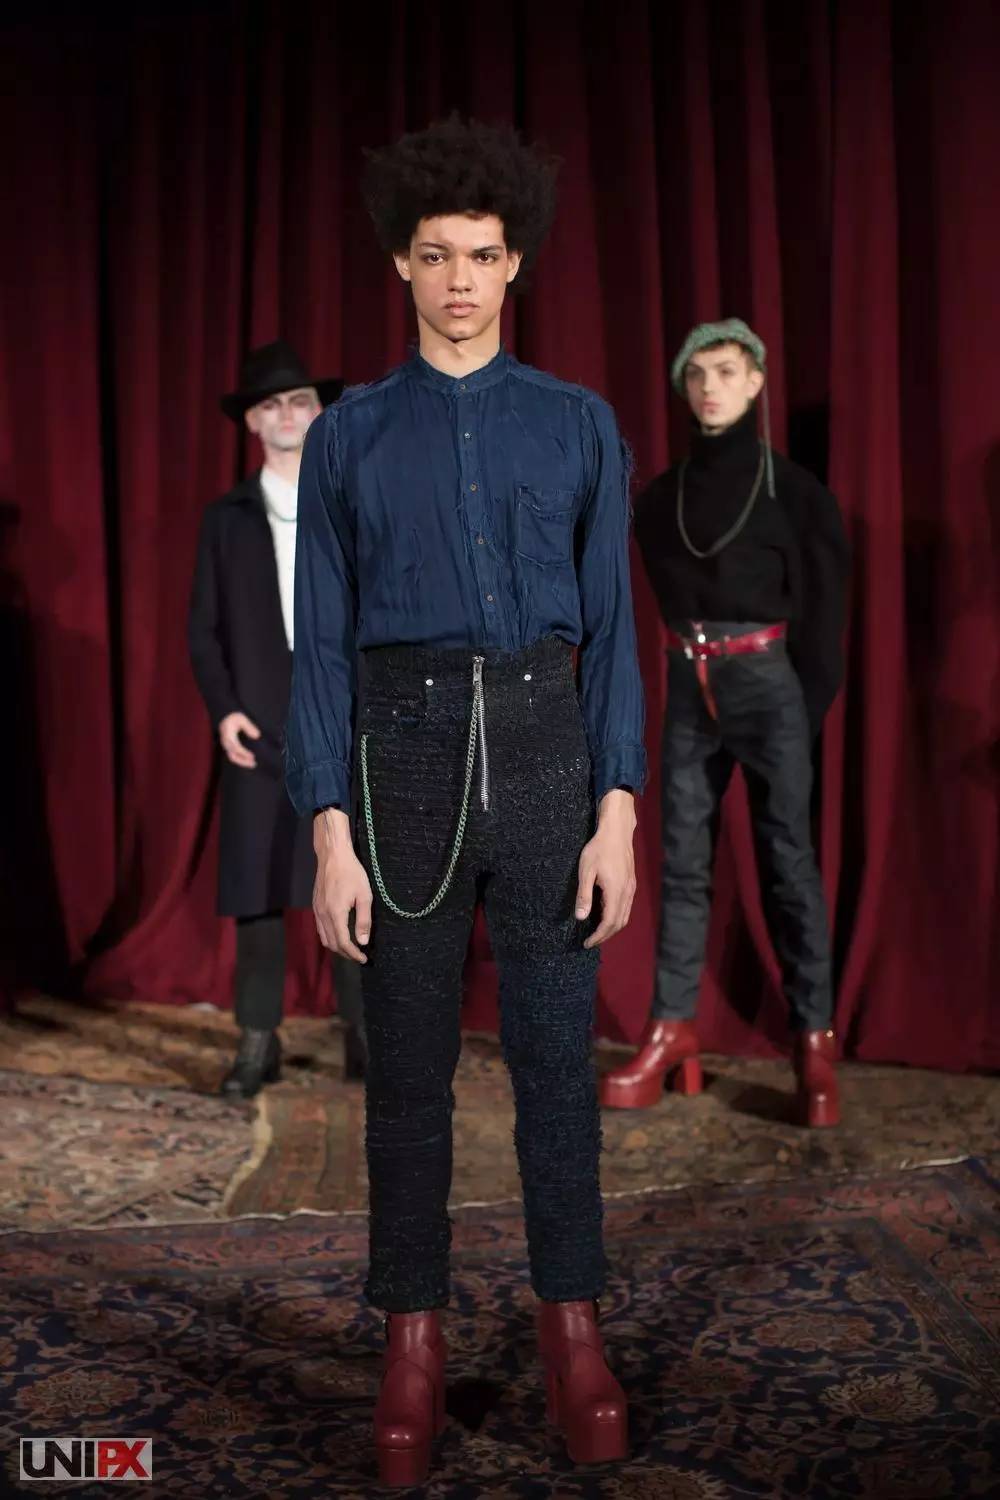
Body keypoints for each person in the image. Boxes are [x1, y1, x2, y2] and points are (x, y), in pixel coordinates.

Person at [285, 117, 646, 1486]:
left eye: (482, 256)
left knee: (556, 1067)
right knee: (409, 1081)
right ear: (399, 262)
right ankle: (412, 1344)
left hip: (550, 757)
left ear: (515, 265)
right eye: (435, 255)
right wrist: (329, 830)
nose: (458, 279)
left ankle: (574, 1332)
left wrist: (618, 809)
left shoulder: (579, 423)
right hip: (403, 763)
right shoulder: (348, 438)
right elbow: (319, 649)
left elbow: (612, 633)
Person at [600, 318, 849, 1128]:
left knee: (788, 862)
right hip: (689, 682)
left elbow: (826, 616)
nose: (711, 387)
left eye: (728, 371)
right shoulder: (660, 500)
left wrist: (801, 708)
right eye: (698, 373)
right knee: (681, 863)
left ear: (756, 382)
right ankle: (673, 1028)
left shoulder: (795, 493)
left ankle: (813, 1040)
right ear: (684, 386)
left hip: (769, 682)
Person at [189, 341, 366, 1098]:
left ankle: (367, 1037)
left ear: (319, 414)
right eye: (271, 404)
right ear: (253, 422)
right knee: (256, 882)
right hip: (259, 724)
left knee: (355, 874)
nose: (287, 415)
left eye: (299, 402)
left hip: (345, 717)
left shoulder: (351, 504)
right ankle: (257, 1040)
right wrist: (225, 711)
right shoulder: (227, 518)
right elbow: (203, 630)